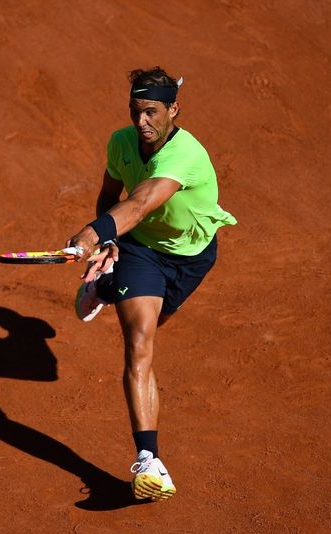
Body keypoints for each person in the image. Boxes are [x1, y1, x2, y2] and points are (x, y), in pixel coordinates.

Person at [66, 67, 237, 502]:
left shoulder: (185, 156)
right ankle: (149, 460)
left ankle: (103, 289)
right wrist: (110, 238)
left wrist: (92, 234)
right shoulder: (121, 143)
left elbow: (140, 202)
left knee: (150, 321)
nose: (141, 122)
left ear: (172, 110)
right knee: (139, 340)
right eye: (134, 111)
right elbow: (112, 198)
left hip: (192, 258)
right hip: (141, 250)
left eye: (151, 112)